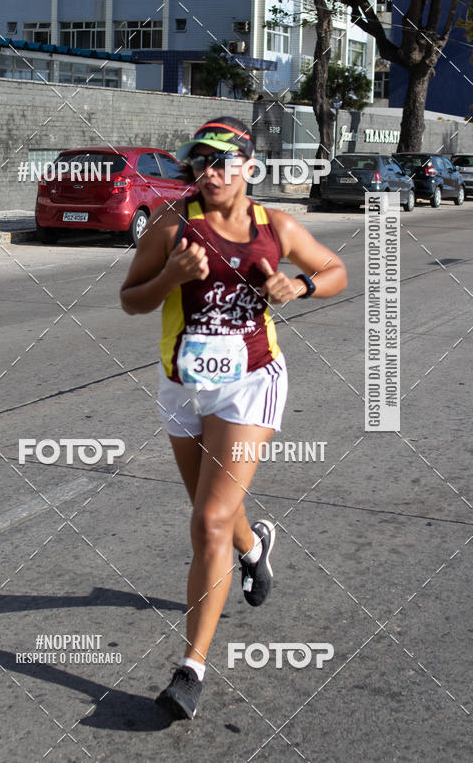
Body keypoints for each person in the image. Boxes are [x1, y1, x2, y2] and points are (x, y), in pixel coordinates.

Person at [120, 116, 347, 720]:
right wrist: (171, 275)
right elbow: (130, 299)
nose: (211, 172)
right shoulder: (172, 227)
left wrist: (299, 286)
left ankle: (190, 668)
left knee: (207, 520)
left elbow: (336, 271)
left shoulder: (277, 227)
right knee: (217, 513)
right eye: (201, 162)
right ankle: (254, 547)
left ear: (250, 166)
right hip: (183, 390)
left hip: (250, 385)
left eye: (224, 162)